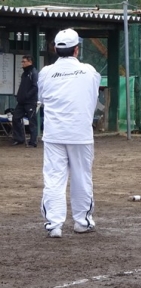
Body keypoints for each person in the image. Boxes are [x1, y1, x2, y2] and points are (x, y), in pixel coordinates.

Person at [38, 29, 100, 239]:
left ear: (55, 49)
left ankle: (54, 225)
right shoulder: (89, 71)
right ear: (77, 49)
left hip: (54, 134)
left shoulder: (46, 72)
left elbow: (42, 98)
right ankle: (82, 222)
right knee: (82, 177)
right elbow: (93, 96)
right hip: (81, 133)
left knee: (54, 178)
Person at [12, 55, 39, 147]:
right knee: (15, 118)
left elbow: (35, 87)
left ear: (30, 62)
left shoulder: (34, 72)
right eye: (22, 61)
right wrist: (19, 96)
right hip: (21, 102)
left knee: (32, 121)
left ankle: (33, 142)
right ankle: (19, 139)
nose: (22, 63)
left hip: (30, 102)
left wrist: (27, 96)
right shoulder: (24, 73)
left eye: (24, 61)